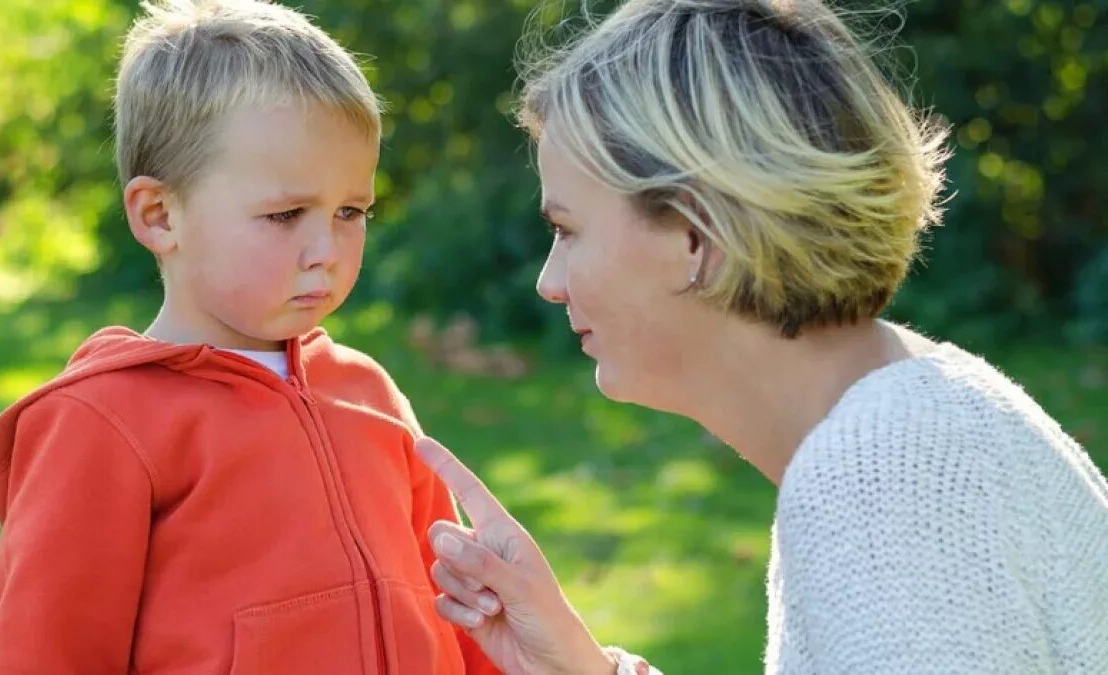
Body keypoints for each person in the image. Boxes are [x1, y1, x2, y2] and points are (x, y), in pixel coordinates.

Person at [414, 1, 1108, 673]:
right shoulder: (923, 409)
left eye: (567, 230)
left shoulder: (881, 485)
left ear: (695, 235)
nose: (550, 280)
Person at [0, 1, 497, 673]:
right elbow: (48, 655)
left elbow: (463, 613)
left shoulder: (368, 392)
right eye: (285, 213)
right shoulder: (100, 424)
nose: (326, 248)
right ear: (159, 215)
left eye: (351, 210)